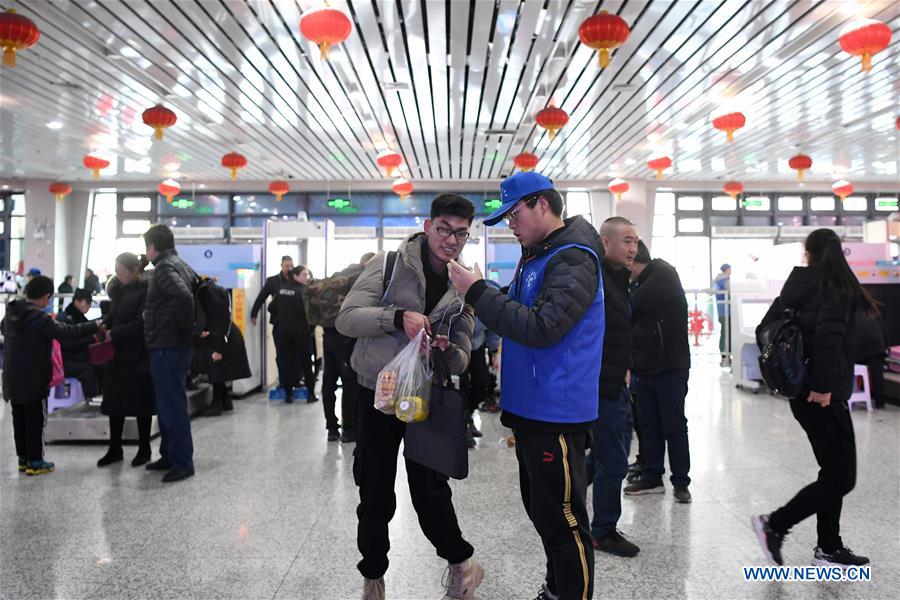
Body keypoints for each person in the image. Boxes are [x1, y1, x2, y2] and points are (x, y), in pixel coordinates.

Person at [448, 172, 603, 600]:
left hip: (558, 409)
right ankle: (557, 589)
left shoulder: (573, 259)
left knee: (565, 519)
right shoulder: (537, 255)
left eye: (514, 215)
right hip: (533, 407)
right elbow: (518, 312)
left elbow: (542, 327)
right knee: (544, 513)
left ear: (541, 204)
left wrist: (478, 291)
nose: (511, 226)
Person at [336, 194, 482, 600]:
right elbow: (346, 319)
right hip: (378, 393)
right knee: (376, 490)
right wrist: (397, 318)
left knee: (430, 492)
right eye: (443, 230)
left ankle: (461, 565)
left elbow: (463, 356)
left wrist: (446, 351)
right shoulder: (387, 265)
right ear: (427, 226)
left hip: (427, 398)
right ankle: (373, 578)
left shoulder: (465, 285)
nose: (451, 240)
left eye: (460, 233)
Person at [752, 228, 878, 569]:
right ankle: (774, 525)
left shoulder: (796, 286)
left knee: (832, 471)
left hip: (801, 390)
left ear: (808, 253)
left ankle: (828, 546)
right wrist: (822, 387)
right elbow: (828, 340)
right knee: (841, 477)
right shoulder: (834, 287)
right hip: (822, 394)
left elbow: (765, 329)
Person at [2, 276, 101, 475]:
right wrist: (94, 326)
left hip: (12, 375)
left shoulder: (11, 313)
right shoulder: (39, 319)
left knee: (19, 417)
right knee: (35, 419)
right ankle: (36, 461)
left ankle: (23, 459)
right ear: (46, 297)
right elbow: (68, 332)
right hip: (33, 376)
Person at [586, 216, 640, 558]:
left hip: (616, 381)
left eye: (635, 242)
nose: (633, 248)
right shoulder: (597, 278)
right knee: (614, 460)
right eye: (626, 241)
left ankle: (563, 503)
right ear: (606, 242)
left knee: (605, 455)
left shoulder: (619, 279)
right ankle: (602, 530)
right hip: (602, 385)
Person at [624, 240, 692, 503]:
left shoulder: (663, 272)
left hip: (670, 366)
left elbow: (632, 306)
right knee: (649, 425)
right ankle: (652, 476)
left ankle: (681, 482)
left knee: (674, 426)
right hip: (644, 366)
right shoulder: (638, 282)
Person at [142, 224, 198, 484]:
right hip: (169, 345)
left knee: (173, 407)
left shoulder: (164, 268)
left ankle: (182, 462)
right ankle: (168, 455)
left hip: (169, 346)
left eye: (147, 247)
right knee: (166, 406)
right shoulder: (180, 263)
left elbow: (185, 297)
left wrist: (185, 330)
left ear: (153, 247)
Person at [306, 253, 375, 442]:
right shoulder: (359, 277)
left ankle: (331, 428)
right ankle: (349, 430)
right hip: (345, 337)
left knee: (329, 383)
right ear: (367, 263)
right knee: (349, 383)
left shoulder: (340, 275)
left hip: (328, 335)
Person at [97, 253, 155, 467]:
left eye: (122, 272)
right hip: (117, 355)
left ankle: (144, 448)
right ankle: (114, 448)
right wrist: (105, 324)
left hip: (137, 353)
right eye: (117, 272)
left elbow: (142, 323)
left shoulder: (145, 290)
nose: (119, 276)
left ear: (134, 271)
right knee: (114, 402)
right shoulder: (119, 290)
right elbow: (115, 313)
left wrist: (116, 333)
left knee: (141, 403)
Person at [198, 278, 252, 416]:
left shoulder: (209, 296)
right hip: (226, 336)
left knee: (217, 371)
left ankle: (217, 404)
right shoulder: (213, 296)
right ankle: (225, 401)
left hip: (226, 339)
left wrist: (219, 350)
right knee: (218, 371)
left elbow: (221, 327)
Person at [275, 265, 318, 403]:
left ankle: (288, 395)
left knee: (287, 363)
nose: (307, 277)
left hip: (284, 332)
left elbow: (272, 308)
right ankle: (311, 394)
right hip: (301, 333)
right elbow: (312, 314)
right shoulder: (304, 292)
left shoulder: (281, 290)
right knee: (306, 363)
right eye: (304, 275)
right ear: (295, 276)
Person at [250, 255, 294, 388]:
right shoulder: (273, 281)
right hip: (279, 323)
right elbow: (261, 298)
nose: (289, 269)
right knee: (281, 354)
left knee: (295, 355)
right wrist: (254, 314)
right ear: (281, 266)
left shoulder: (296, 280)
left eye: (291, 266)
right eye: (287, 266)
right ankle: (282, 381)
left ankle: (295, 380)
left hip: (295, 324)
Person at [55, 288, 101, 398]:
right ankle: (92, 400)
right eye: (87, 303)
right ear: (77, 301)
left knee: (101, 366)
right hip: (64, 362)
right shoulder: (64, 319)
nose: (89, 307)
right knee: (88, 370)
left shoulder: (80, 318)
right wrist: (89, 337)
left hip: (76, 358)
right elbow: (68, 344)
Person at [854, 309, 888, 409]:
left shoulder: (850, 311)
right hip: (877, 345)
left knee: (855, 369)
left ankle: (857, 394)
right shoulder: (873, 309)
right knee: (877, 373)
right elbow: (884, 329)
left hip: (860, 347)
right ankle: (880, 402)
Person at [714, 263, 732, 367]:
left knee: (724, 332)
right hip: (727, 312)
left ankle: (724, 355)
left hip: (721, 311)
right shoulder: (725, 280)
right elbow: (731, 291)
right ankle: (726, 356)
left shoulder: (717, 280)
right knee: (727, 333)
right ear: (727, 269)